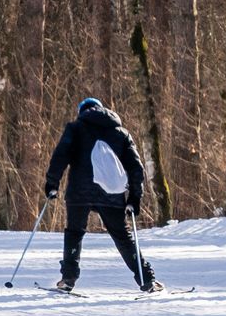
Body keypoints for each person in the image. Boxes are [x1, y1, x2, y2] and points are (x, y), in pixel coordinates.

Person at [42, 98, 157, 293]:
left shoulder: (75, 128)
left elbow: (60, 155)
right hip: (111, 193)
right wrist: (134, 197)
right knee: (122, 236)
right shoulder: (121, 133)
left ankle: (68, 279)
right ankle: (147, 280)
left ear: (82, 112)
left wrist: (52, 184)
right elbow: (135, 167)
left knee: (74, 233)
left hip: (80, 192)